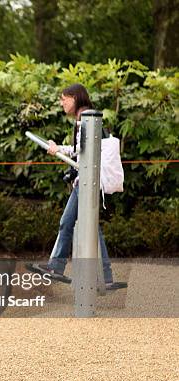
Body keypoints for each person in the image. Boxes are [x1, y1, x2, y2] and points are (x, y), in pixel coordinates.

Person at [27, 84, 127, 290]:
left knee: (66, 222)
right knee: (93, 229)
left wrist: (58, 150)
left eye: (64, 98)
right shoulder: (84, 119)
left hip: (88, 181)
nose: (61, 103)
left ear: (75, 98)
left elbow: (84, 153)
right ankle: (106, 277)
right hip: (89, 180)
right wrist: (57, 149)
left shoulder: (86, 119)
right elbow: (81, 151)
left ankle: (56, 266)